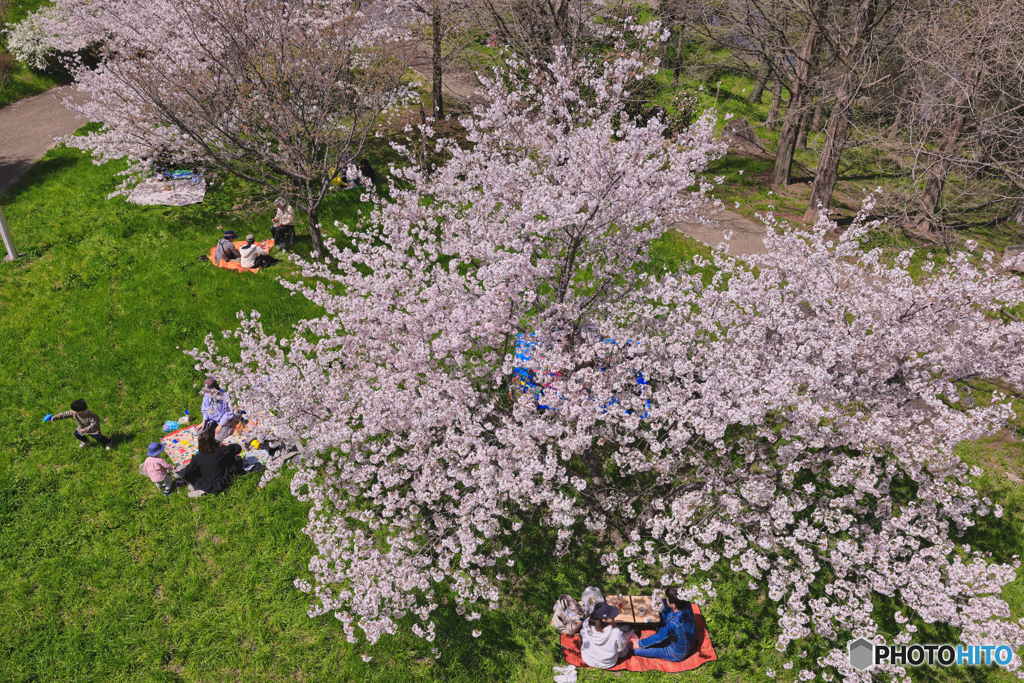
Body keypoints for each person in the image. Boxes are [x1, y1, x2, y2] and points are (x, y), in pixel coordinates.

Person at [633, 587, 697, 662]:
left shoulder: (673, 625)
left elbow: (658, 637)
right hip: (686, 641)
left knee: (635, 650)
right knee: (665, 608)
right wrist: (662, 601)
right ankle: (662, 628)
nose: (665, 599)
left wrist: (639, 643)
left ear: (673, 605)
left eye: (667, 598)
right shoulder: (687, 604)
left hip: (676, 653)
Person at [178, 430, 245, 496]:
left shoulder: (197, 458)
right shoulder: (221, 451)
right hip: (224, 481)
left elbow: (189, 471)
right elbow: (238, 447)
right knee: (229, 456)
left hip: (207, 485)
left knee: (192, 470)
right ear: (213, 440)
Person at [579, 602, 634, 669]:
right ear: (604, 619)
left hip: (589, 659)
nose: (613, 616)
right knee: (625, 649)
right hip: (607, 663)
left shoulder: (586, 624)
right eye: (611, 615)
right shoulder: (616, 633)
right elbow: (621, 648)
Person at [44, 398, 112, 450]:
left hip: (93, 430)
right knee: (77, 435)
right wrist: (55, 417)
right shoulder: (74, 412)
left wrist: (85, 430)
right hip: (81, 427)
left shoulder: (92, 416)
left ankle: (108, 442)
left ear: (81, 411)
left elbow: (92, 425)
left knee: (99, 438)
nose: (72, 411)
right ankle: (86, 441)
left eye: (74, 410)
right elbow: (65, 414)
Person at [198, 377, 239, 442]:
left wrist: (220, 425)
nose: (209, 393)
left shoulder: (225, 396)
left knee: (217, 438)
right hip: (212, 421)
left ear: (216, 388)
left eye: (211, 391)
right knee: (199, 432)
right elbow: (204, 409)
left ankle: (231, 428)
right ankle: (213, 428)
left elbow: (228, 413)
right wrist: (204, 421)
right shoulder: (206, 394)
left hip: (224, 422)